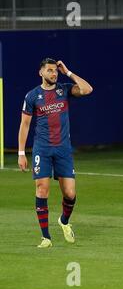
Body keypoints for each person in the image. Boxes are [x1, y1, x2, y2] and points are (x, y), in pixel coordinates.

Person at [18, 58, 93, 248]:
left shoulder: (64, 89)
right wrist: (20, 152)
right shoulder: (32, 96)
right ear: (40, 72)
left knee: (69, 193)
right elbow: (24, 125)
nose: (54, 74)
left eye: (55, 71)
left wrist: (68, 72)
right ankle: (46, 238)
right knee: (42, 188)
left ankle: (64, 222)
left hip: (63, 149)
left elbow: (87, 89)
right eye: (50, 70)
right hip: (42, 149)